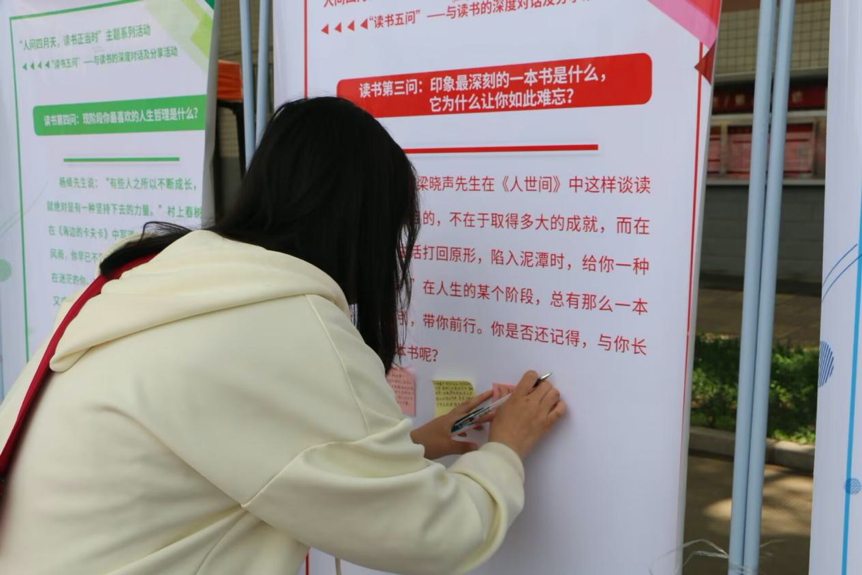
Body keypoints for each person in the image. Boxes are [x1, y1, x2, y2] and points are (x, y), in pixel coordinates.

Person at [0, 97, 565, 575]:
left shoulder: (165, 276)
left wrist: (418, 444)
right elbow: (435, 533)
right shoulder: (284, 322)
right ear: (361, 223)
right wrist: (506, 449)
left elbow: (242, 450)